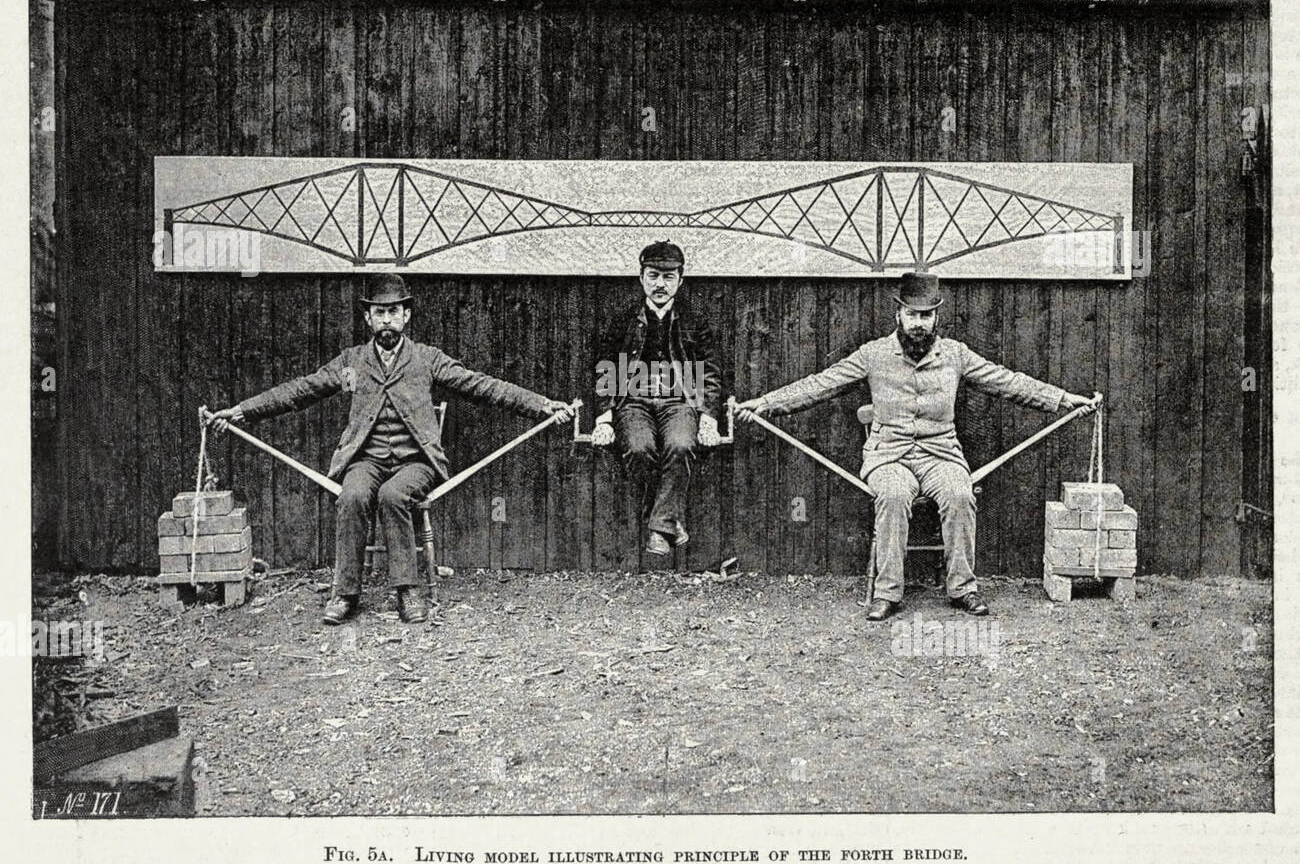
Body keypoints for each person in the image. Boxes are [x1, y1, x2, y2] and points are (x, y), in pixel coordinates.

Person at [208, 274, 573, 625]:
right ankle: (345, 594)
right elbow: (301, 389)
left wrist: (541, 404)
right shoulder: (351, 361)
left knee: (392, 495)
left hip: (416, 463)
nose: (387, 320)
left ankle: (407, 590)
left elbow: (482, 385)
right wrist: (242, 411)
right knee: (352, 496)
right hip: (366, 460)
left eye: (394, 312)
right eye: (379, 313)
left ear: (406, 316)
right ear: (368, 318)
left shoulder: (428, 359)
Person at [737, 271, 1098, 620]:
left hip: (941, 456)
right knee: (893, 495)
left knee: (960, 493)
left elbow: (1008, 381)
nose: (918, 324)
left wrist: (1065, 399)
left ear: (937, 316)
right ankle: (887, 593)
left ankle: (962, 588)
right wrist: (766, 403)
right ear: (899, 314)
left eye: (926, 316)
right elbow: (821, 384)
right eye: (912, 315)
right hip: (888, 457)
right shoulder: (873, 354)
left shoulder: (955, 355)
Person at [591, 240, 723, 555]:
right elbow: (605, 369)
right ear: (641, 278)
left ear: (681, 279)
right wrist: (604, 418)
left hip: (680, 402)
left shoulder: (695, 319)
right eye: (653, 276)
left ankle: (660, 527)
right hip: (633, 402)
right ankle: (668, 521)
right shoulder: (623, 318)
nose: (660, 285)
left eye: (668, 277)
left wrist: (708, 417)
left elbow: (712, 373)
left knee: (680, 445)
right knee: (638, 449)